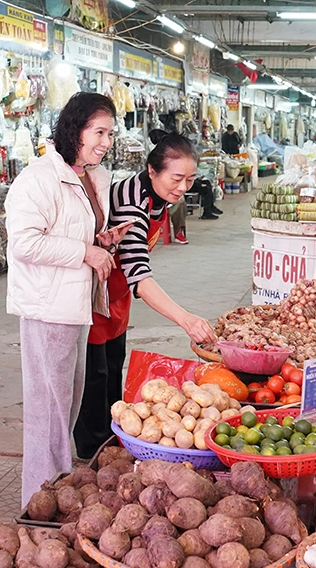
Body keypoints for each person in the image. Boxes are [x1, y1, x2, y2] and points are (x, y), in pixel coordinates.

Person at [74, 133, 217, 458]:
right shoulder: (133, 205)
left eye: (189, 179)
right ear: (152, 170)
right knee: (95, 378)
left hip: (117, 294)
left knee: (113, 369)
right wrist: (186, 319)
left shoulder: (157, 197)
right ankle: (93, 453)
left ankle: (111, 441)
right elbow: (139, 275)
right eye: (176, 178)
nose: (182, 188)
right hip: (96, 296)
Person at [7, 92, 121, 501]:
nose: (106, 142)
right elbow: (24, 243)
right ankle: (39, 499)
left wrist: (100, 241)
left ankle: (55, 489)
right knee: (48, 411)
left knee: (65, 407)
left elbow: (72, 230)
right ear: (76, 129)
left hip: (74, 306)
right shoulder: (38, 179)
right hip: (47, 307)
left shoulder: (89, 176)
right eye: (99, 132)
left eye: (110, 133)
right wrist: (85, 252)